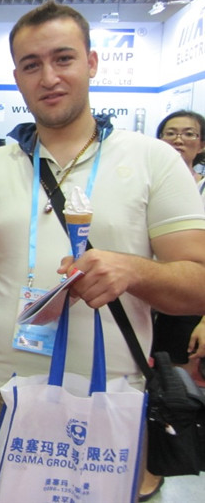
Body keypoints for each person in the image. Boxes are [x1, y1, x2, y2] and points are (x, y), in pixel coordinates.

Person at [0, 0, 205, 503]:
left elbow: (197, 283)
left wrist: (132, 271)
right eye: (31, 65)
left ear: (92, 62)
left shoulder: (153, 160)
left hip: (108, 396)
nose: (49, 77)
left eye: (63, 58)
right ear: (17, 77)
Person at [140, 109, 205, 500]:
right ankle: (146, 461)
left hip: (187, 304)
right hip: (147, 297)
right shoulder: (150, 182)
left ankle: (165, 460)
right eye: (170, 133)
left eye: (189, 134)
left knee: (171, 387)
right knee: (140, 381)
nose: (179, 140)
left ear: (202, 143)